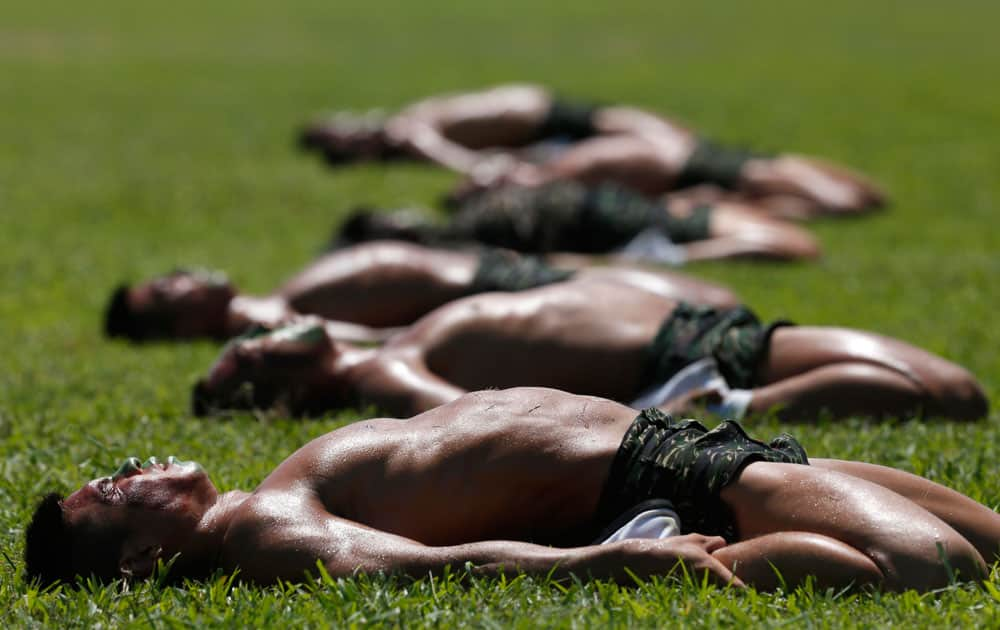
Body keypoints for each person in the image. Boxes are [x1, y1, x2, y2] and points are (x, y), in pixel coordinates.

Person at [25, 387, 1000, 590]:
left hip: (675, 445)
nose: (130, 469)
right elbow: (405, 569)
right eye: (114, 493)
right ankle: (730, 554)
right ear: (144, 556)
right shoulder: (264, 528)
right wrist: (596, 560)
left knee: (988, 540)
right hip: (654, 479)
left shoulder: (275, 486)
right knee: (932, 565)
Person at [190, 277, 987, 422]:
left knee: (944, 387)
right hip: (685, 356)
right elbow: (490, 416)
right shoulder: (392, 372)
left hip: (688, 334)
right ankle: (732, 405)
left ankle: (733, 398)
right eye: (252, 354)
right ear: (285, 383)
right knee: (954, 392)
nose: (259, 335)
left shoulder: (381, 346)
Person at [299, 84, 884, 218]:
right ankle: (840, 199)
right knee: (748, 180)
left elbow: (519, 128)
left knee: (753, 171)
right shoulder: (425, 135)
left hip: (618, 141)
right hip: (623, 152)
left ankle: (844, 198)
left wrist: (438, 154)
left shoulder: (423, 124)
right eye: (346, 149)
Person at [104, 241, 738, 343]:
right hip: (505, 293)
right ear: (182, 325)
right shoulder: (278, 324)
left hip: (500, 271)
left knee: (710, 298)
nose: (181, 276)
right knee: (711, 309)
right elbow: (381, 338)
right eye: (168, 292)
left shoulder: (275, 298)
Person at [338, 180, 821, 263]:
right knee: (787, 242)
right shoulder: (453, 251)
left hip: (612, 207)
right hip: (612, 224)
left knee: (779, 229)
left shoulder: (453, 225)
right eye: (390, 226)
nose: (402, 219)